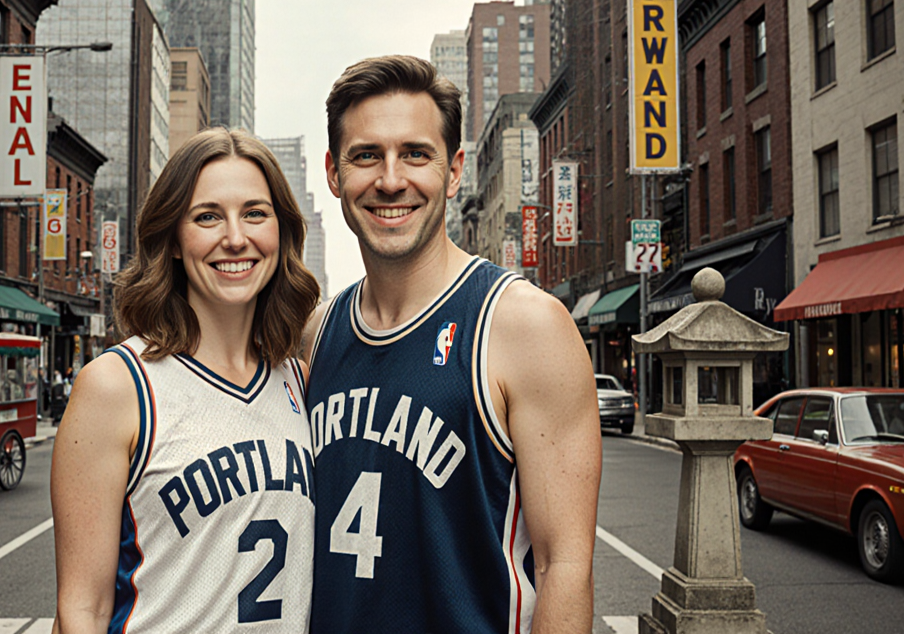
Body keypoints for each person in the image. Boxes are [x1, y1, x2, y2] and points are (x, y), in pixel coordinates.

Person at [303, 55, 602, 634]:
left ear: (455, 169)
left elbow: (565, 567)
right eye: (367, 155)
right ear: (334, 174)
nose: (391, 180)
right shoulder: (317, 334)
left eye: (416, 153)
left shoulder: (524, 325)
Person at [51, 128, 321, 634]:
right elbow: (80, 612)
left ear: (280, 233)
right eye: (207, 216)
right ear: (174, 240)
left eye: (255, 214)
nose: (235, 237)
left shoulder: (299, 381)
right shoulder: (118, 386)